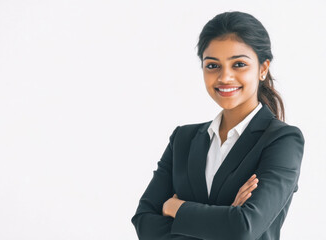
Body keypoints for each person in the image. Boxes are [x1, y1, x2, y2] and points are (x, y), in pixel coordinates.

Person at [131, 11, 305, 240]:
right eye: (213, 65)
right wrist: (226, 218)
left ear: (263, 69)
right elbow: (144, 222)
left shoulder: (282, 140)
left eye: (239, 64)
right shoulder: (183, 139)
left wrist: (175, 208)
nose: (225, 77)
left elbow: (243, 228)